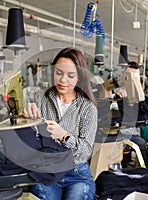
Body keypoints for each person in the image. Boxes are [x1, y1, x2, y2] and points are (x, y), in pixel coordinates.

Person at [23, 47, 98, 200]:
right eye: (59, 73)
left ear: (80, 77)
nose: (63, 80)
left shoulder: (87, 108)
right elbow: (31, 139)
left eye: (70, 75)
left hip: (77, 174)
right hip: (46, 170)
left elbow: (85, 151)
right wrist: (24, 118)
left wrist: (64, 136)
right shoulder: (41, 99)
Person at [114, 61, 148, 168]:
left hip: (138, 131)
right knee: (140, 144)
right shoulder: (120, 94)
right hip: (124, 132)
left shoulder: (141, 95)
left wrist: (141, 99)